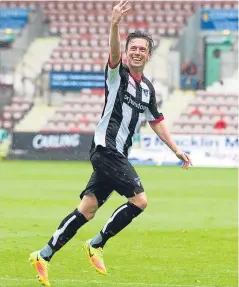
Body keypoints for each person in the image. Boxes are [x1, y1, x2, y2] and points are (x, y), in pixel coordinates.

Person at [29, 1, 192, 286]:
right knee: (139, 201)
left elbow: (156, 120)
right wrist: (115, 25)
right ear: (128, 52)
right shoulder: (118, 75)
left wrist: (176, 150)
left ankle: (43, 255)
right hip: (106, 149)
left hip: (117, 154)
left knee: (87, 209)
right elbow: (114, 53)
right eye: (134, 48)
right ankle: (96, 244)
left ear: (149, 55)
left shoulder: (148, 89)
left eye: (142, 49)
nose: (137, 52)